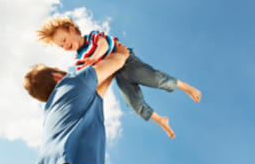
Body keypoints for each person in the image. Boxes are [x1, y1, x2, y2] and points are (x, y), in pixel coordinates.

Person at [18, 43, 130, 164]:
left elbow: (101, 85)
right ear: (57, 76)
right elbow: (118, 59)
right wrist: (121, 50)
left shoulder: (57, 106)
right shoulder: (72, 83)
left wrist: (103, 66)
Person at [37, 17, 202, 138]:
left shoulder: (93, 37)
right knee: (133, 103)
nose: (65, 46)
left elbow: (105, 44)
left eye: (64, 40)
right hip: (117, 74)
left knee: (155, 79)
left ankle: (185, 86)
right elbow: (90, 78)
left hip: (128, 62)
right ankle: (161, 120)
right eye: (61, 46)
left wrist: (95, 58)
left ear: (72, 29)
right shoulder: (79, 60)